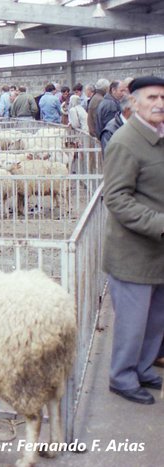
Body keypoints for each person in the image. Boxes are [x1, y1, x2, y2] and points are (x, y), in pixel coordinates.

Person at [103, 76, 164, 405]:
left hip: (158, 252)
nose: (160, 103)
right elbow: (117, 199)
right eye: (153, 97)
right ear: (134, 103)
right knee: (132, 322)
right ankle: (122, 376)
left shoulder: (159, 135)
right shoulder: (125, 142)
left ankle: (142, 367)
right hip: (133, 253)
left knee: (155, 319)